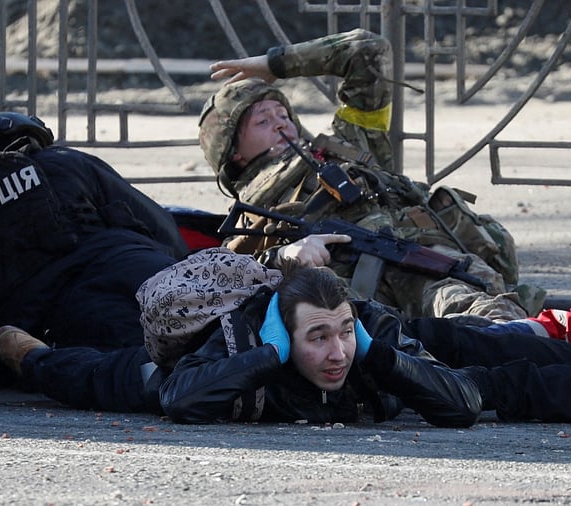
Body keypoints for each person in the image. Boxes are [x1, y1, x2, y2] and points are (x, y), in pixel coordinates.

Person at [198, 28, 544, 322]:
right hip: (368, 306)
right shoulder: (255, 210)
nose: (280, 122)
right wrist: (287, 255)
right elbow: (230, 277)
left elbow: (366, 49)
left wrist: (276, 64)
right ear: (235, 154)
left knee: (498, 321)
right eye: (262, 120)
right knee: (486, 324)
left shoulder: (350, 141)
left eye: (283, 113)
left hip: (443, 262)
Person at [0, 112, 189, 412]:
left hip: (72, 326)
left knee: (164, 373)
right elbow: (167, 234)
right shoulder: (65, 162)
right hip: (144, 272)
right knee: (211, 339)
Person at [159, 262, 571, 425]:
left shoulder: (369, 335)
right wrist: (271, 356)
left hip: (411, 342)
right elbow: (177, 398)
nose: (337, 354)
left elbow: (458, 396)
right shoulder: (241, 345)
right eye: (317, 339)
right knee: (527, 381)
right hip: (435, 374)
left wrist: (373, 351)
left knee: (515, 347)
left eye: (342, 335)